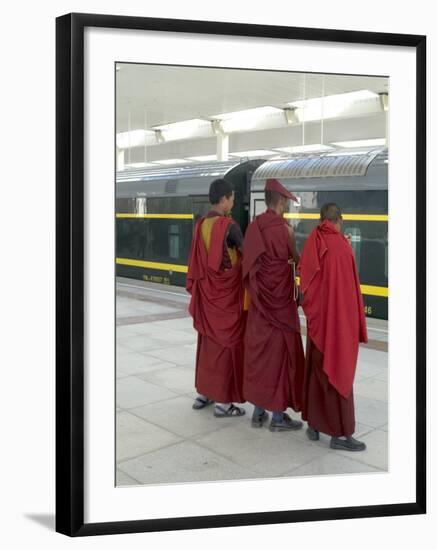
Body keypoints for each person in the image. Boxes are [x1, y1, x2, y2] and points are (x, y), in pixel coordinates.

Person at [299, 203, 368, 451]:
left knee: (317, 375)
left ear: (321, 220)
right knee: (339, 373)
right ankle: (340, 435)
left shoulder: (312, 241)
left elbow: (304, 286)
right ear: (338, 220)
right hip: (336, 327)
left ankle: (314, 427)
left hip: (317, 327)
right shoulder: (343, 248)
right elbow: (350, 294)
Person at [242, 178, 305, 431]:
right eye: (287, 203)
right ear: (280, 202)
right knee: (279, 359)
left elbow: (247, 268)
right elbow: (297, 260)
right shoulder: (286, 231)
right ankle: (278, 418)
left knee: (260, 358)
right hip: (281, 307)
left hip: (259, 307)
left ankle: (258, 414)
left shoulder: (253, 228)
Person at [186, 178, 246, 418]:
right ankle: (223, 402)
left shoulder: (200, 225)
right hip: (227, 299)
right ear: (224, 199)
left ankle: (204, 393)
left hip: (208, 298)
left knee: (208, 345)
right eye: (231, 198)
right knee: (227, 347)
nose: (232, 202)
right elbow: (247, 255)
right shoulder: (230, 227)